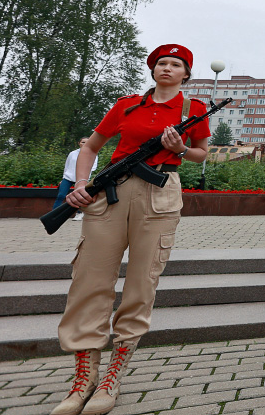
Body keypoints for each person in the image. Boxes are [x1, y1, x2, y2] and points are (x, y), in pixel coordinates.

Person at [53, 44, 210, 415]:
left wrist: (180, 148)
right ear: (153, 70)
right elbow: (91, 147)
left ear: (186, 74)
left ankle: (114, 375)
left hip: (160, 195)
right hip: (110, 193)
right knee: (89, 281)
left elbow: (202, 152)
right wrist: (80, 183)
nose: (167, 68)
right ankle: (84, 377)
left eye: (176, 64)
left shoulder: (193, 109)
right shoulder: (126, 105)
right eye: (161, 63)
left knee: (141, 283)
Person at [53, 138, 98, 221]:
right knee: (61, 195)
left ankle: (79, 214)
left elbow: (93, 167)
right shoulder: (72, 153)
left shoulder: (93, 153)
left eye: (87, 142)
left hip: (81, 179)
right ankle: (54, 215)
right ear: (79, 143)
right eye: (83, 142)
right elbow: (67, 166)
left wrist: (83, 176)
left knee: (80, 197)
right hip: (68, 177)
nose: (84, 144)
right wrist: (63, 178)